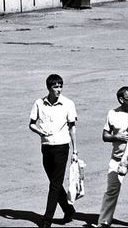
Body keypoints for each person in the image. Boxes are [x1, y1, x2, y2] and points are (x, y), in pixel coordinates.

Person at [29, 74, 78, 228]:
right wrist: (40, 132)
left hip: (62, 147)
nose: (59, 90)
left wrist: (75, 151)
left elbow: (72, 128)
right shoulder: (39, 103)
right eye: (55, 87)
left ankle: (46, 220)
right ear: (49, 88)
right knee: (54, 182)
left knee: (55, 185)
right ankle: (69, 210)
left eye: (60, 86)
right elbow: (31, 123)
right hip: (46, 147)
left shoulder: (68, 104)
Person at [97, 86, 128, 227]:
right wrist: (117, 136)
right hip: (117, 159)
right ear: (121, 100)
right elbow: (104, 136)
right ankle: (104, 222)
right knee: (111, 191)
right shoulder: (112, 113)